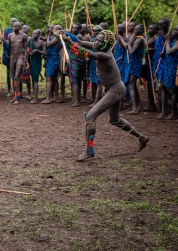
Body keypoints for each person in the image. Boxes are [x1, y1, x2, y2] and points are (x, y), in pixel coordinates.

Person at [62, 30, 149, 161]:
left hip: (116, 90)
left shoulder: (105, 55)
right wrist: (68, 36)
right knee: (114, 120)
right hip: (114, 89)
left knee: (90, 116)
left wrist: (68, 42)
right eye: (96, 39)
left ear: (106, 44)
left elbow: (83, 53)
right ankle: (142, 137)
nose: (96, 42)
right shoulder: (98, 46)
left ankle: (88, 150)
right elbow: (80, 43)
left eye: (100, 41)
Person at [118, 24, 145, 114]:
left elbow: (131, 51)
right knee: (132, 85)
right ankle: (138, 106)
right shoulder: (136, 38)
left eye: (138, 29)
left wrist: (127, 42)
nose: (136, 30)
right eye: (135, 29)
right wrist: (123, 39)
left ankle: (134, 109)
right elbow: (125, 45)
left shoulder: (140, 40)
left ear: (142, 30)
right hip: (132, 63)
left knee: (130, 85)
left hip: (135, 64)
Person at [162, 24, 178, 121]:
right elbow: (167, 52)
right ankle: (175, 112)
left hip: (176, 68)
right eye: (175, 29)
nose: (175, 31)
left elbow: (169, 51)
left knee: (174, 91)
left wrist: (167, 40)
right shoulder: (175, 40)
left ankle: (174, 113)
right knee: (170, 89)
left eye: (177, 30)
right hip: (169, 67)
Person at [66, 24, 88, 107]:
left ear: (79, 29)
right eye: (73, 28)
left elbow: (77, 42)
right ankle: (76, 99)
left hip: (77, 60)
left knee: (74, 80)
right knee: (76, 80)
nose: (73, 29)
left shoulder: (78, 37)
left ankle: (76, 101)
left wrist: (67, 34)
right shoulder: (75, 36)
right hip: (75, 60)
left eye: (75, 28)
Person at [41, 25, 62, 104]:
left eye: (54, 29)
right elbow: (47, 41)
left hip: (54, 59)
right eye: (52, 29)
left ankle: (48, 98)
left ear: (58, 30)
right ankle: (55, 97)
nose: (53, 30)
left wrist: (48, 35)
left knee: (49, 78)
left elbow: (48, 44)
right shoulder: (53, 36)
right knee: (53, 78)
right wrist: (46, 36)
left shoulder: (57, 37)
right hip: (50, 59)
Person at [8, 22, 28, 104]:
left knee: (17, 76)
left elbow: (26, 48)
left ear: (18, 27)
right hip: (12, 56)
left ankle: (17, 98)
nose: (13, 28)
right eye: (12, 26)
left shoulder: (24, 36)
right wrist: (3, 42)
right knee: (13, 76)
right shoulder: (10, 35)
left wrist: (25, 60)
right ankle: (14, 96)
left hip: (20, 56)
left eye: (15, 27)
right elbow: (8, 46)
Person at [154, 18, 170, 118]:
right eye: (159, 25)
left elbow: (169, 46)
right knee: (160, 86)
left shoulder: (170, 34)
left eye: (162, 25)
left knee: (166, 87)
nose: (160, 27)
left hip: (166, 64)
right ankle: (162, 109)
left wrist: (163, 36)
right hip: (158, 64)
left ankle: (166, 110)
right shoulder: (159, 35)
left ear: (168, 24)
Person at [27, 29, 46, 103]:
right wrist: (29, 53)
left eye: (35, 34)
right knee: (32, 79)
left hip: (37, 62)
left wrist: (37, 51)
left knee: (35, 80)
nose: (33, 35)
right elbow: (27, 50)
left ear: (38, 35)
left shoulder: (41, 42)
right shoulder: (30, 41)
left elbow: (45, 53)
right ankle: (34, 96)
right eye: (32, 33)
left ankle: (35, 98)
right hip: (31, 61)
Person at [143, 24, 159, 111]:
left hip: (152, 62)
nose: (149, 30)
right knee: (149, 83)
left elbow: (158, 49)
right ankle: (150, 103)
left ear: (156, 31)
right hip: (146, 62)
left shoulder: (156, 39)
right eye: (149, 28)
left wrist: (152, 50)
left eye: (152, 29)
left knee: (151, 84)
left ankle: (152, 104)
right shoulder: (147, 37)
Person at [87, 25, 104, 108]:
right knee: (93, 81)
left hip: (98, 63)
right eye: (93, 30)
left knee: (98, 83)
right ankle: (93, 99)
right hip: (92, 63)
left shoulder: (100, 41)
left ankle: (97, 101)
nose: (94, 32)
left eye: (96, 31)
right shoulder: (93, 39)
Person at [2, 18, 18, 96]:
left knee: (16, 72)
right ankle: (9, 90)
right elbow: (5, 41)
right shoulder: (7, 30)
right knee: (9, 72)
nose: (12, 23)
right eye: (11, 21)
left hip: (17, 54)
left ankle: (16, 90)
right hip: (8, 54)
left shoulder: (19, 33)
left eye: (14, 21)